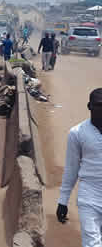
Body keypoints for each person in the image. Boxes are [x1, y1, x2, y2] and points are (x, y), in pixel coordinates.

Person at [57, 88, 102, 247]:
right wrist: (63, 200)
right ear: (89, 106)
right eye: (98, 105)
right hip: (89, 197)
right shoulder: (77, 133)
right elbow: (71, 168)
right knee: (92, 243)